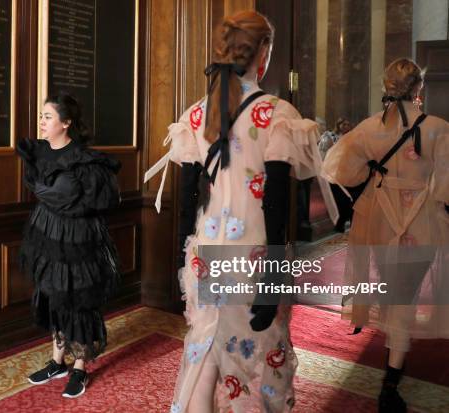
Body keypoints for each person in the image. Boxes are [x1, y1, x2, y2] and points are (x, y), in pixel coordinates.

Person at [145, 11, 336, 412]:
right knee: (263, 356)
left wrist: (186, 256)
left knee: (206, 348)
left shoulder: (196, 115)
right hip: (255, 254)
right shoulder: (276, 114)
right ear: (262, 52)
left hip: (205, 251)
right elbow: (277, 199)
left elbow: (187, 198)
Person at [322, 58, 449, 413]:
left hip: (378, 219)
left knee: (396, 293)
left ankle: (392, 369)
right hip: (421, 221)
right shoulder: (439, 128)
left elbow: (340, 170)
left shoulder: (368, 128)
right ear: (418, 88)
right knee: (404, 297)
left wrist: (377, 170)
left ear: (386, 87)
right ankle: (390, 383)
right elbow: (447, 186)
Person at [16, 93, 121, 398]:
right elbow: (43, 190)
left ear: (66, 123)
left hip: (78, 236)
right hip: (47, 232)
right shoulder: (39, 152)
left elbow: (87, 200)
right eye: (41, 116)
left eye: (48, 116)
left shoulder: (85, 159)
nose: (42, 121)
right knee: (52, 293)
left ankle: (79, 369)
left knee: (79, 299)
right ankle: (57, 361)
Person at [319, 118, 354, 232]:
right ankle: (338, 223)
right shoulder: (331, 136)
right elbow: (324, 151)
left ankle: (343, 222)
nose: (345, 126)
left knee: (347, 199)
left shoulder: (354, 137)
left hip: (348, 172)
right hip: (333, 171)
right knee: (338, 198)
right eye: (343, 124)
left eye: (348, 124)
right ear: (338, 125)